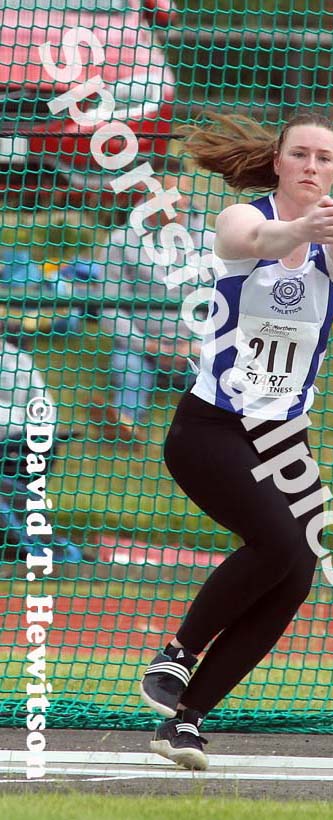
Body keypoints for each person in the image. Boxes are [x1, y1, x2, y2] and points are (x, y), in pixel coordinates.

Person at [139, 112, 333, 770]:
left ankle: (183, 721)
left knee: (297, 570)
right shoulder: (239, 221)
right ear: (276, 162)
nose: (311, 166)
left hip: (283, 438)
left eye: (324, 158)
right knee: (277, 541)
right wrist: (302, 228)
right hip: (210, 428)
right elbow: (262, 237)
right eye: (299, 154)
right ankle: (177, 654)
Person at [90, 175, 212, 444]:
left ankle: (213, 431)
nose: (173, 203)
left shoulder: (213, 242)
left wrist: (196, 346)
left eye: (178, 196)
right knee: (127, 366)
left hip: (197, 347)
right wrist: (145, 344)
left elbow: (226, 307)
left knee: (223, 371)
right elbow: (108, 307)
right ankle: (123, 422)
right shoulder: (120, 242)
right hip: (143, 347)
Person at [0, 339, 81, 566]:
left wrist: (41, 434)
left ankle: (41, 546)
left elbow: (43, 408)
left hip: (17, 446)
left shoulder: (17, 359)